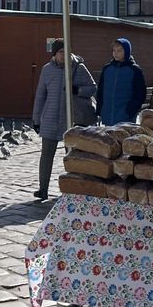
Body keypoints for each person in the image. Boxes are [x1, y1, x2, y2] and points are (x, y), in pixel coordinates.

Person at [31, 39, 96, 201]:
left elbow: (92, 88)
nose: (64, 55)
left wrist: (77, 90)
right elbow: (40, 96)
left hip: (71, 118)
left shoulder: (78, 68)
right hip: (51, 118)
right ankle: (43, 189)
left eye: (66, 52)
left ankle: (73, 188)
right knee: (46, 155)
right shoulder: (47, 70)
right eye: (60, 52)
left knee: (72, 155)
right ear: (54, 54)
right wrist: (36, 119)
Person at [95, 38, 146, 126]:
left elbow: (140, 93)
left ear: (126, 51)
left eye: (119, 51)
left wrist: (130, 110)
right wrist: (100, 109)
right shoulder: (107, 69)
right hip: (107, 116)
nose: (116, 53)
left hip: (126, 117)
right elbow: (101, 91)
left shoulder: (134, 70)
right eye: (114, 50)